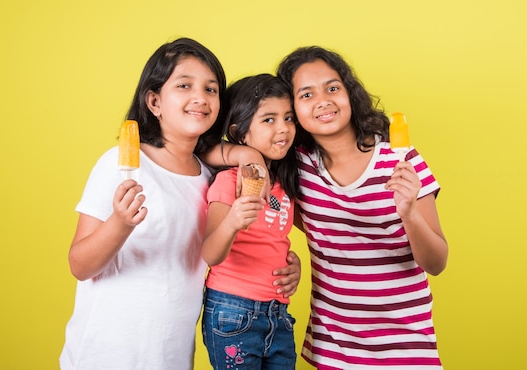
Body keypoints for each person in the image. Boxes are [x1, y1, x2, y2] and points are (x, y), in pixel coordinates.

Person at [59, 38, 300, 370]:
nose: (200, 97)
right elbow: (80, 265)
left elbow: (234, 245)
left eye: (211, 89)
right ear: (155, 101)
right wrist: (120, 223)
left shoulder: (209, 177)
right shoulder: (120, 164)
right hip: (107, 353)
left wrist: (288, 263)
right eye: (184, 85)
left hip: (171, 355)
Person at [204, 46, 449, 369]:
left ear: (350, 92)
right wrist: (245, 154)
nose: (323, 100)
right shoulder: (298, 167)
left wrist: (409, 214)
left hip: (405, 342)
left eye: (333, 88)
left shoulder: (400, 160)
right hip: (334, 346)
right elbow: (202, 150)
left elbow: (436, 262)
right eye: (306, 95)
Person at [201, 74, 300, 370]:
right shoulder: (228, 181)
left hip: (278, 313)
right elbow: (210, 254)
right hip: (233, 310)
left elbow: (275, 242)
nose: (283, 128)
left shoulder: (284, 184)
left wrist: (294, 264)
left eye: (288, 118)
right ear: (240, 133)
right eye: (268, 120)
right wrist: (232, 222)